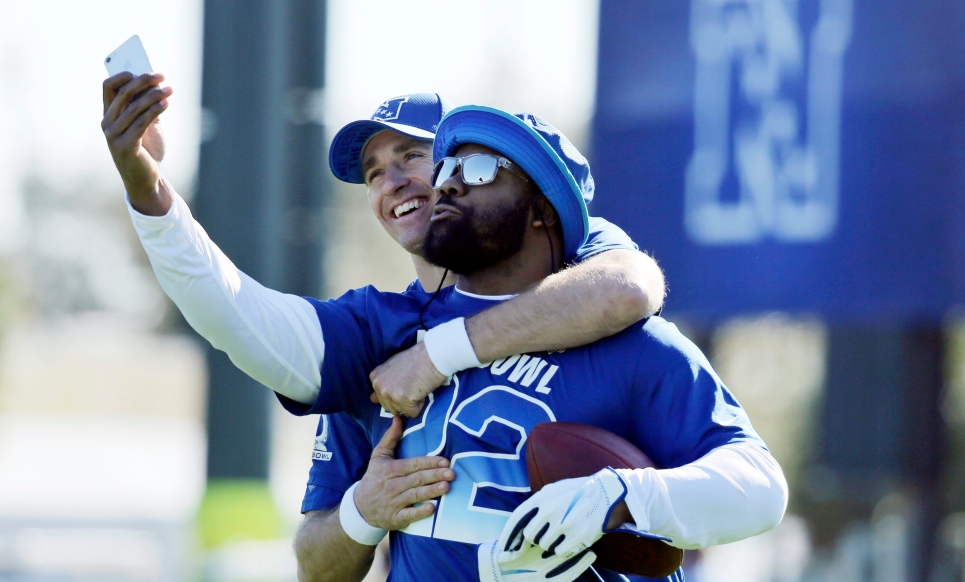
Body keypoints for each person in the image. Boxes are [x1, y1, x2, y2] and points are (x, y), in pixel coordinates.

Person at [104, 71, 787, 580]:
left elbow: (758, 487)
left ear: (542, 202)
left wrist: (623, 494)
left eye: (421, 158)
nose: (420, 183)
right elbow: (234, 314)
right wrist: (145, 187)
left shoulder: (628, 337)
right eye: (374, 171)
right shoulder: (376, 343)